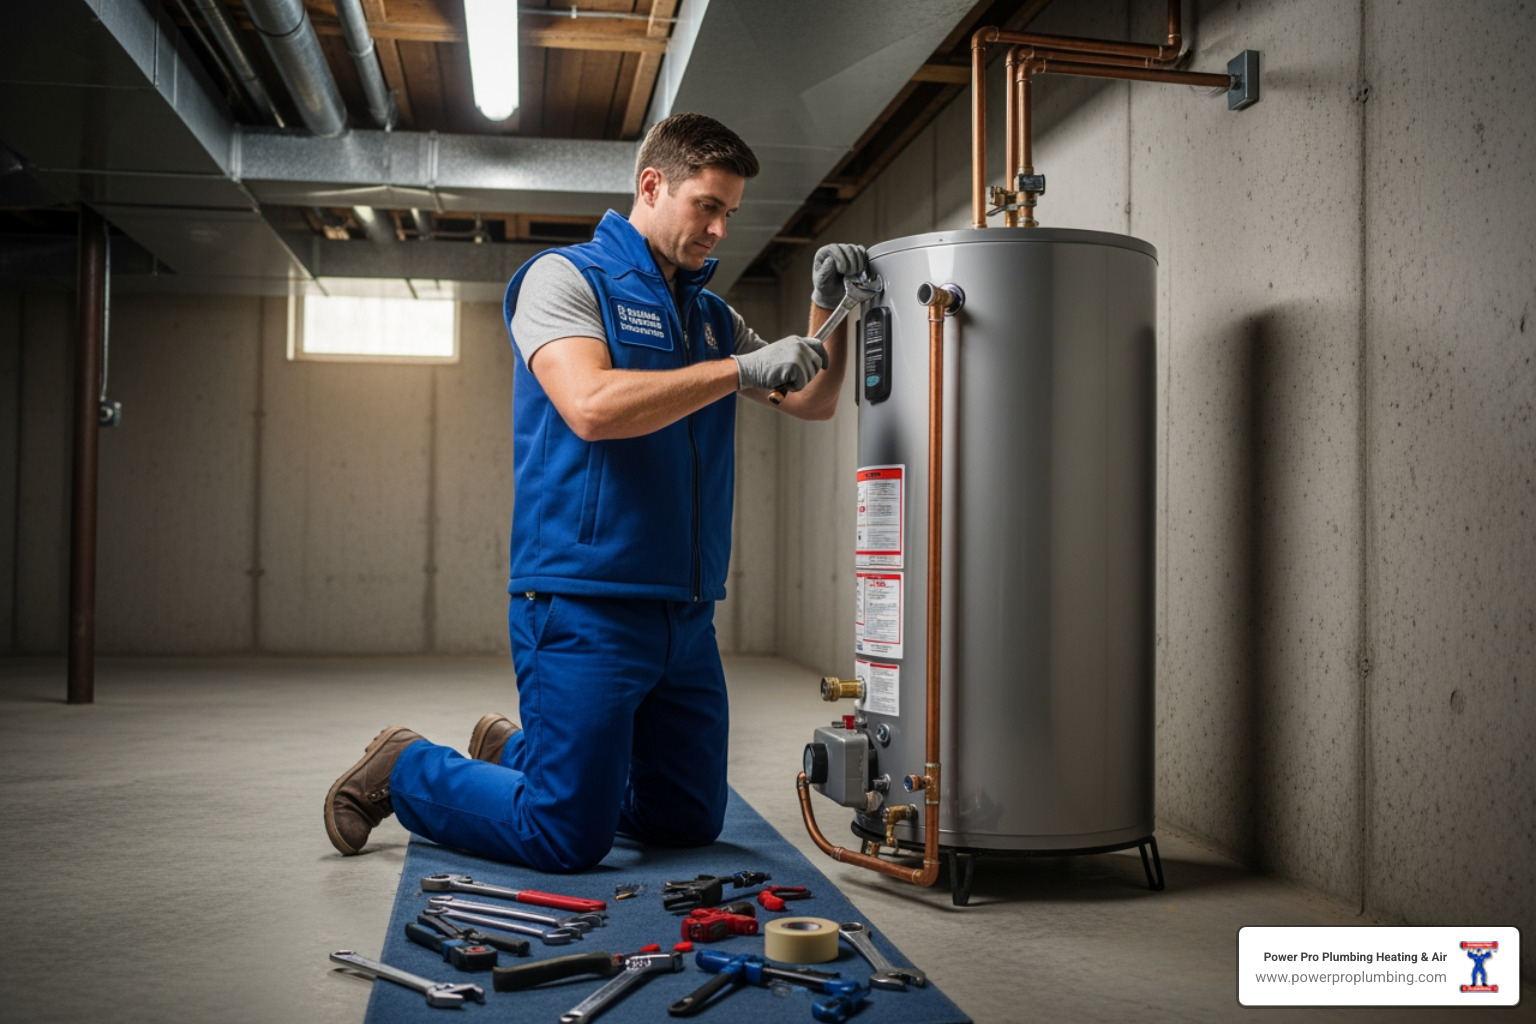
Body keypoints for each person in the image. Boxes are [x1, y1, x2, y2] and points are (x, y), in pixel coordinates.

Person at [324, 112, 868, 871]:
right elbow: (590, 406)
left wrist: (829, 311)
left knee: (684, 821)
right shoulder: (565, 279)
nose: (718, 229)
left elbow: (812, 401)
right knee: (565, 837)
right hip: (584, 602)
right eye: (705, 206)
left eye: (729, 214)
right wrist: (740, 369)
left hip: (685, 612)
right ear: (652, 185)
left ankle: (514, 752)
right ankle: (407, 766)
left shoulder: (711, 318)